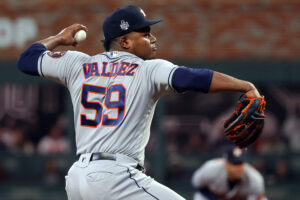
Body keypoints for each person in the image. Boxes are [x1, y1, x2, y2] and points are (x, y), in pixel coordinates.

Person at [17, 5, 262, 200]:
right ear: (125, 42)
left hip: (77, 179)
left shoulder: (77, 64)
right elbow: (193, 78)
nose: (153, 38)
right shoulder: (147, 69)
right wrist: (245, 86)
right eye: (145, 34)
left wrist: (58, 38)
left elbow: (27, 60)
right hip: (115, 177)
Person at [191, 146, 267, 200]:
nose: (238, 168)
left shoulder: (254, 177)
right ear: (225, 163)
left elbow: (259, 197)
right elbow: (196, 184)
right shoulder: (210, 168)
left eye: (240, 163)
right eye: (234, 164)